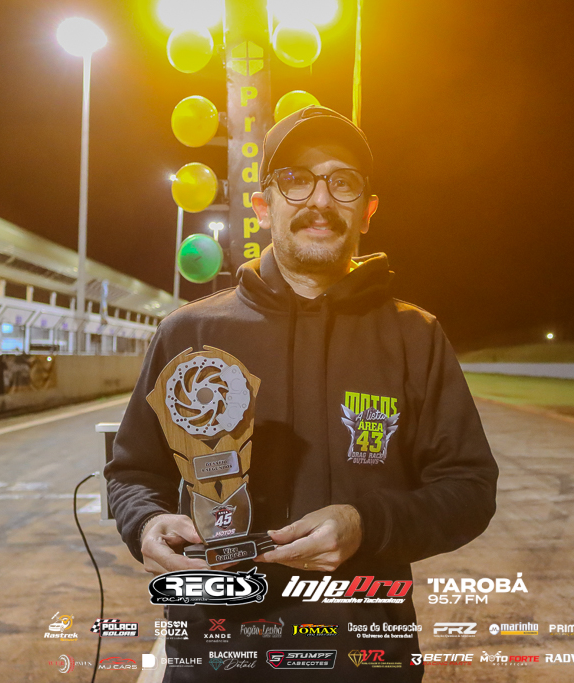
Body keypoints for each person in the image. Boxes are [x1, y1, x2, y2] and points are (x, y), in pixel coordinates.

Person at [106, 106, 499, 682]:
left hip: (366, 663)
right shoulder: (189, 333)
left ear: (367, 212)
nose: (320, 200)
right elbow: (132, 472)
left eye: (343, 182)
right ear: (263, 207)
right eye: (296, 180)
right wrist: (145, 522)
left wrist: (368, 524)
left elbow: (469, 489)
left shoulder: (414, 336)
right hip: (216, 660)